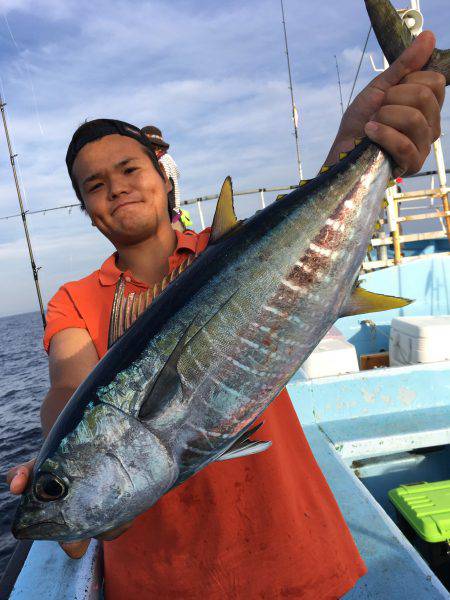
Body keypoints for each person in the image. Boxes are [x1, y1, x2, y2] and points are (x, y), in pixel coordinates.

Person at [7, 32, 445, 599]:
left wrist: (359, 141)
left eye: (128, 170)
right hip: (162, 581)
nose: (115, 188)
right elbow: (69, 384)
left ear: (164, 179)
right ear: (89, 213)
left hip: (296, 557)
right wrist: (55, 460)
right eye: (96, 186)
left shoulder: (225, 246)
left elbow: (303, 230)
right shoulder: (76, 298)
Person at [141, 125, 190, 232]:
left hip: (169, 219)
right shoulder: (167, 160)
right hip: (172, 216)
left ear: (155, 147)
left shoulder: (162, 162)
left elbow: (163, 187)